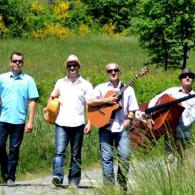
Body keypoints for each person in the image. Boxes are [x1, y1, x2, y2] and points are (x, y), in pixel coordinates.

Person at [86, 63, 139, 192]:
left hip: (122, 127)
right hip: (105, 127)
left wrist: (128, 120)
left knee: (125, 157)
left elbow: (132, 110)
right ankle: (109, 188)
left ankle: (122, 185)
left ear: (119, 72)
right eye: (110, 71)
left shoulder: (128, 89)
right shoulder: (101, 88)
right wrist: (107, 100)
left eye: (115, 70)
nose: (113, 72)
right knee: (106, 158)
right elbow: (89, 101)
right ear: (107, 73)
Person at [46, 54, 93, 188]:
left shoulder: (86, 85)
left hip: (78, 123)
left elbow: (89, 105)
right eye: (69, 65)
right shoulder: (60, 82)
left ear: (79, 67)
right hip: (61, 123)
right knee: (60, 151)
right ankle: (58, 177)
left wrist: (89, 123)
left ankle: (74, 180)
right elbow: (52, 96)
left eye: (74, 65)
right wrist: (48, 109)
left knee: (76, 154)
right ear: (66, 67)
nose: (72, 67)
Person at [0, 51, 39, 186]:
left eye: (20, 61)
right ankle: (4, 172)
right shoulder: (2, 78)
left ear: (23, 63)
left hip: (19, 120)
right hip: (3, 119)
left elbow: (32, 101)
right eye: (15, 61)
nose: (17, 63)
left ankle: (10, 177)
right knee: (0, 146)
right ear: (10, 62)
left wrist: (30, 121)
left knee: (14, 149)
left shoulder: (28, 80)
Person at [146, 67, 195, 162]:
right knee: (169, 160)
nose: (187, 78)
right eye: (184, 76)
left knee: (183, 161)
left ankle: (181, 177)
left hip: (184, 134)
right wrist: (149, 114)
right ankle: (169, 177)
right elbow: (155, 99)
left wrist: (178, 126)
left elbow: (192, 117)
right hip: (169, 133)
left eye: (190, 76)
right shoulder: (172, 91)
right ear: (181, 80)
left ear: (193, 80)